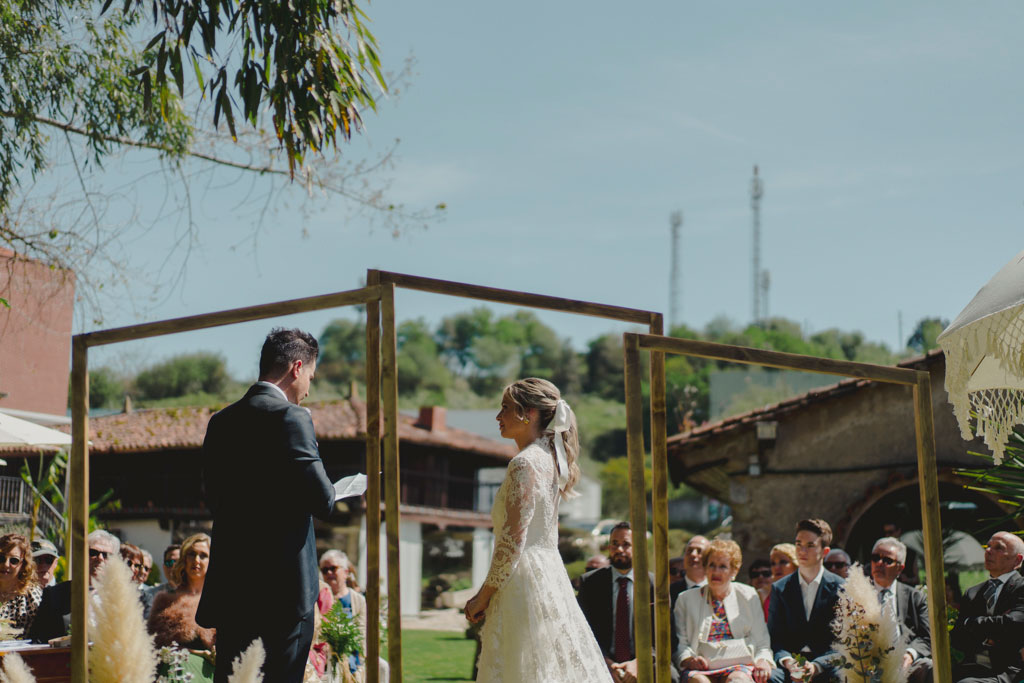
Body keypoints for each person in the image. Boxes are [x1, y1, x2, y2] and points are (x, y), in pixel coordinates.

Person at [196, 328, 335, 683]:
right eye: (311, 378)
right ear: (297, 368)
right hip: (283, 595)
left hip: (233, 590)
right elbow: (323, 500)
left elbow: (213, 498)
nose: (308, 388)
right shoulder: (293, 418)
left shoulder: (221, 422)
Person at [465, 378, 614, 683]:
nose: (498, 416)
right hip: (548, 573)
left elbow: (512, 542)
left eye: (505, 408)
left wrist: (483, 596)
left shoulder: (524, 463)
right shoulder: (551, 461)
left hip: (522, 579)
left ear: (528, 413)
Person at [674, 539, 773, 683]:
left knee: (738, 681)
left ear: (734, 570)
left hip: (739, 666)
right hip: (700, 669)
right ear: (705, 568)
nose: (716, 571)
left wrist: (763, 660)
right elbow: (680, 644)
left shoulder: (748, 595)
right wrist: (689, 660)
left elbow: (762, 642)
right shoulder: (685, 599)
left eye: (723, 566)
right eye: (712, 565)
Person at [577, 522, 663, 683]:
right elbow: (581, 631)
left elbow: (664, 635)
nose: (619, 549)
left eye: (626, 544)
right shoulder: (590, 583)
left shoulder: (654, 584)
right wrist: (605, 663)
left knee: (671, 675)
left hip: (642, 659)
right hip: (601, 659)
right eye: (614, 544)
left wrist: (639, 663)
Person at [766, 519, 844, 683]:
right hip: (790, 664)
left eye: (810, 545)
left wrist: (816, 666)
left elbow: (842, 642)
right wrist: (789, 663)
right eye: (798, 544)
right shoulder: (780, 588)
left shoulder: (841, 587)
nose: (802, 550)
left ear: (825, 551)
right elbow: (775, 638)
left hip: (825, 665)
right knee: (769, 678)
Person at [951, 531, 1024, 683]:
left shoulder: (1021, 588)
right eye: (988, 546)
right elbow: (958, 638)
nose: (989, 551)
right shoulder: (973, 592)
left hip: (1008, 670)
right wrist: (994, 630)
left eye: (998, 548)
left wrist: (971, 623)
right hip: (972, 666)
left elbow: (1014, 624)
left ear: (1017, 560)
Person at [29, 529, 119, 642]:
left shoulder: (120, 598)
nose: (100, 558)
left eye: (106, 555)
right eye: (93, 553)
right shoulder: (54, 595)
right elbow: (37, 638)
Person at [869, 537, 931, 683]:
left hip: (905, 661)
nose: (879, 563)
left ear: (900, 567)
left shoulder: (915, 597)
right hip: (868, 661)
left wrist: (909, 655)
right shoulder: (859, 593)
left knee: (929, 667)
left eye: (887, 560)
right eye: (875, 558)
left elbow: (926, 637)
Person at [148, 533, 216, 651]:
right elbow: (156, 649)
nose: (196, 560)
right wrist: (198, 653)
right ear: (184, 559)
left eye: (203, 555)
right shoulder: (165, 602)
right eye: (192, 554)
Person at [319, 550, 365, 679]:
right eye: (324, 570)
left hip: (351, 656)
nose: (329, 573)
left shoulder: (358, 600)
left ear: (346, 572)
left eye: (333, 568)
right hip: (324, 656)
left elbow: (362, 632)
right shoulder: (317, 599)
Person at [0, 533, 43, 636]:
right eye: (1, 558)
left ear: (23, 565)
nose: (6, 564)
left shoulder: (31, 596)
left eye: (14, 560)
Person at [143, 543, 181, 619]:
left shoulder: (195, 595)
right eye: (169, 563)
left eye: (177, 562)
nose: (173, 566)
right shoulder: (150, 595)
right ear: (164, 567)